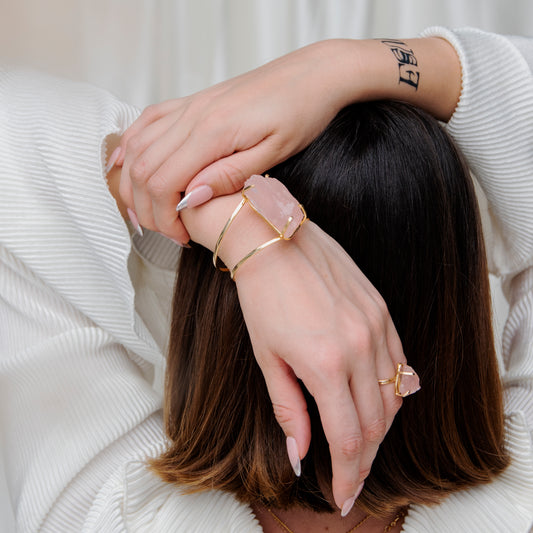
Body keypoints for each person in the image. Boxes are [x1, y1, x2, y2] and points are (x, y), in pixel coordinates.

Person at [0, 26, 532, 532]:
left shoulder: (106, 515)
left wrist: (245, 236)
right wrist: (342, 65)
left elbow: (15, 144)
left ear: (214, 309)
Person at [148, 100, 509, 533]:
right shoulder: (519, 500)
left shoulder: (113, 503)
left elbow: (53, 146)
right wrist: (348, 67)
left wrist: (239, 231)